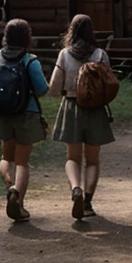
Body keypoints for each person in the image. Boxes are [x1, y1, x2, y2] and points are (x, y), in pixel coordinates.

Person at [48, 14, 115, 219]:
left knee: (72, 158)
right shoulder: (100, 55)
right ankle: (87, 202)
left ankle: (75, 188)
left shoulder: (64, 55)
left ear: (72, 31)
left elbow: (53, 88)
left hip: (71, 107)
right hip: (96, 110)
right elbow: (110, 83)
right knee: (93, 160)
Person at [0, 18, 49, 222]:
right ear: (27, 37)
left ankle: (9, 184)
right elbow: (41, 89)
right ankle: (18, 203)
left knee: (6, 158)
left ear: (6, 37)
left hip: (3, 114)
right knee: (23, 162)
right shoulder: (30, 60)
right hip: (26, 114)